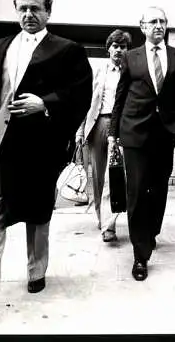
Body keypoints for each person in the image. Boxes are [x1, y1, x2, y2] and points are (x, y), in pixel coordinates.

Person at [0, 0, 93, 319]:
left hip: (39, 147)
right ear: (15, 12)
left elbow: (80, 93)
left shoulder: (67, 50)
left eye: (35, 9)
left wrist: (45, 103)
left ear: (48, 12)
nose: (28, 15)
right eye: (22, 9)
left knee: (38, 211)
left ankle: (36, 269)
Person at [109, 6, 175, 281]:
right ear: (142, 26)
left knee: (158, 190)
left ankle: (151, 232)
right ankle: (139, 253)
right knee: (135, 192)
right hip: (134, 133)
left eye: (162, 21)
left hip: (164, 133)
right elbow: (120, 98)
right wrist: (113, 132)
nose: (158, 25)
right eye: (152, 21)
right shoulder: (130, 58)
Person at [75, 29, 132, 242]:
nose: (118, 50)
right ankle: (102, 217)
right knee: (98, 176)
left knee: (114, 174)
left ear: (127, 50)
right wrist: (80, 130)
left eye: (123, 46)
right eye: (115, 46)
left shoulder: (131, 71)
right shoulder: (99, 71)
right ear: (108, 48)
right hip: (98, 123)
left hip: (121, 127)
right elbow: (86, 102)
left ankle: (109, 224)